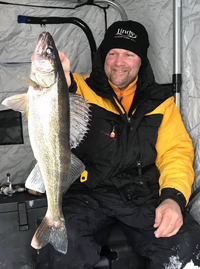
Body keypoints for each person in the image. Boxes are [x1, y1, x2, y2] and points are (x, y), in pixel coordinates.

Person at [35, 20, 200, 269]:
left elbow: (175, 153)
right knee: (62, 254)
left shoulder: (160, 102)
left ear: (141, 60)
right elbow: (46, 117)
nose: (119, 62)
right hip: (87, 195)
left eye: (128, 54)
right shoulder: (79, 88)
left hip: (142, 196)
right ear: (103, 56)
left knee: (187, 250)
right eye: (112, 53)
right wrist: (60, 80)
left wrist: (173, 199)